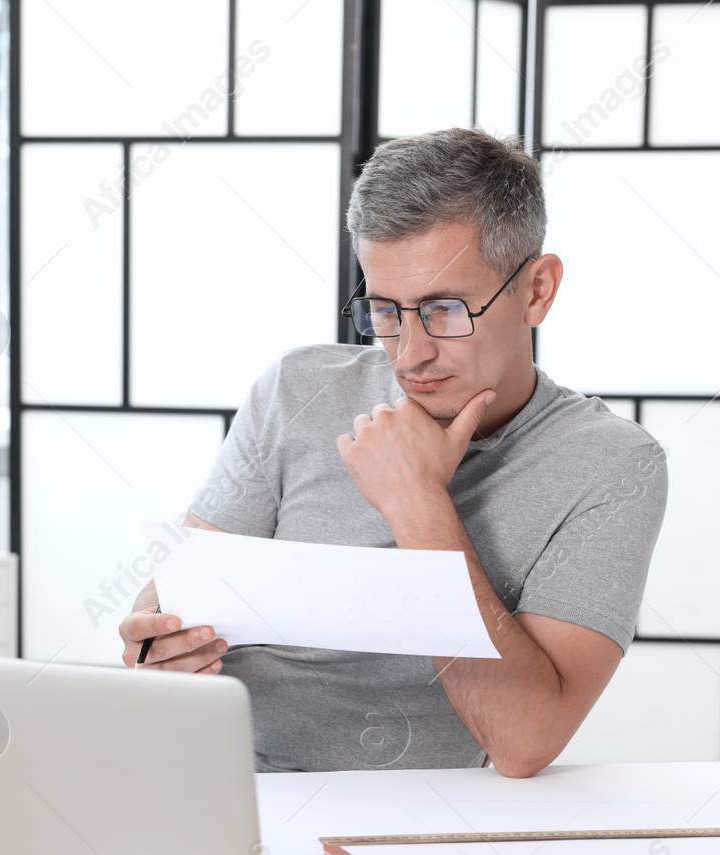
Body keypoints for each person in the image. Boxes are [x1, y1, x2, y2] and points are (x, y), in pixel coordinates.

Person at [118, 128, 668, 777]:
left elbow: (524, 741)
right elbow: (164, 609)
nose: (409, 355)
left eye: (444, 309)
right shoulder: (298, 388)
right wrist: (157, 647)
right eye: (385, 312)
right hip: (221, 785)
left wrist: (418, 503)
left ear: (537, 290)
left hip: (421, 827)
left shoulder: (611, 465)